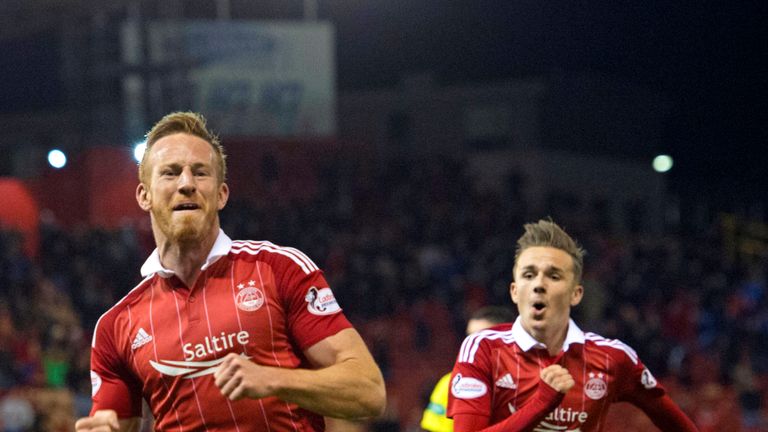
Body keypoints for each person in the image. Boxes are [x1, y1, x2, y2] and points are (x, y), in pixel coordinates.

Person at [75, 112, 386, 431]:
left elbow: (369, 391)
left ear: (221, 194)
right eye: (170, 173)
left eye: (200, 173)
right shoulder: (115, 326)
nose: (186, 184)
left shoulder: (279, 269)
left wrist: (275, 379)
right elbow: (114, 422)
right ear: (145, 196)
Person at [447, 219, 699, 431]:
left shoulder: (613, 358)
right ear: (514, 291)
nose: (539, 284)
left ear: (576, 294)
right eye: (528, 275)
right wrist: (541, 403)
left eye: (554, 276)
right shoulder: (482, 349)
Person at [421, 306, 515, 432]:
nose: (472, 345)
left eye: (481, 338)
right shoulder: (452, 383)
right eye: (469, 337)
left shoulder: (530, 378)